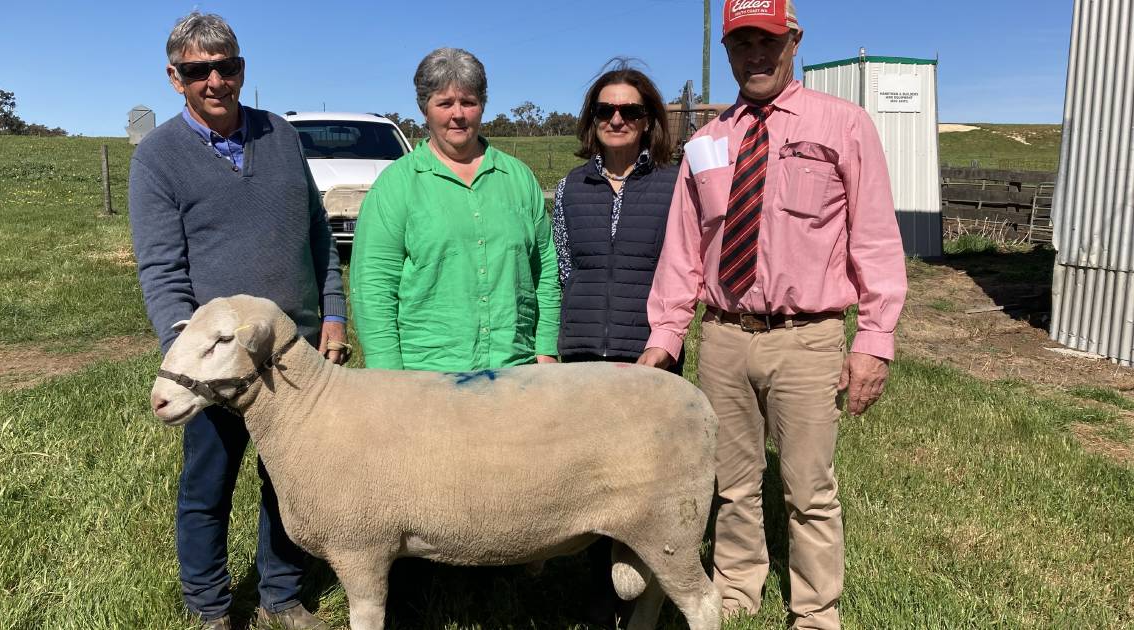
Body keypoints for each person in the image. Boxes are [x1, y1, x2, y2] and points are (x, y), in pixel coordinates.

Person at [637, 1, 907, 628]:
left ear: (793, 40)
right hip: (724, 337)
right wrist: (666, 336)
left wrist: (874, 339)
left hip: (806, 337)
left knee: (809, 491)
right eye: (741, 44)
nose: (754, 55)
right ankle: (736, 588)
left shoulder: (845, 125)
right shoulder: (707, 142)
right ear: (727, 49)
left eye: (767, 41)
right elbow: (684, 249)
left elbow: (873, 239)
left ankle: (815, 610)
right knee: (732, 483)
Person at [129, 12, 345, 630]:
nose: (215, 81)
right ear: (176, 78)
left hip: (292, 350)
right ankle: (210, 605)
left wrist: (333, 313)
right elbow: (162, 268)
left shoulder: (280, 135)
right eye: (199, 71)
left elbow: (317, 236)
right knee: (209, 483)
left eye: (227, 67)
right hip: (217, 363)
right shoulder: (158, 157)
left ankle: (282, 595)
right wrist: (188, 355)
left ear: (243, 69)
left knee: (291, 481)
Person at [350, 47, 560, 372]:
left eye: (469, 102)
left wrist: (545, 347)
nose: (458, 114)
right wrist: (386, 376)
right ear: (425, 109)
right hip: (429, 379)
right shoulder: (396, 185)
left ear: (483, 106)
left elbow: (545, 269)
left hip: (515, 371)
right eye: (445, 103)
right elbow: (374, 286)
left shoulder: (519, 178)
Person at [552, 64, 681, 373]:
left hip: (650, 357)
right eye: (605, 110)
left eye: (631, 111)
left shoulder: (677, 186)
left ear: (648, 121)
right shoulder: (569, 187)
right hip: (580, 358)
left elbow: (685, 272)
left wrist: (665, 342)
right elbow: (563, 270)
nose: (617, 120)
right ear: (592, 118)